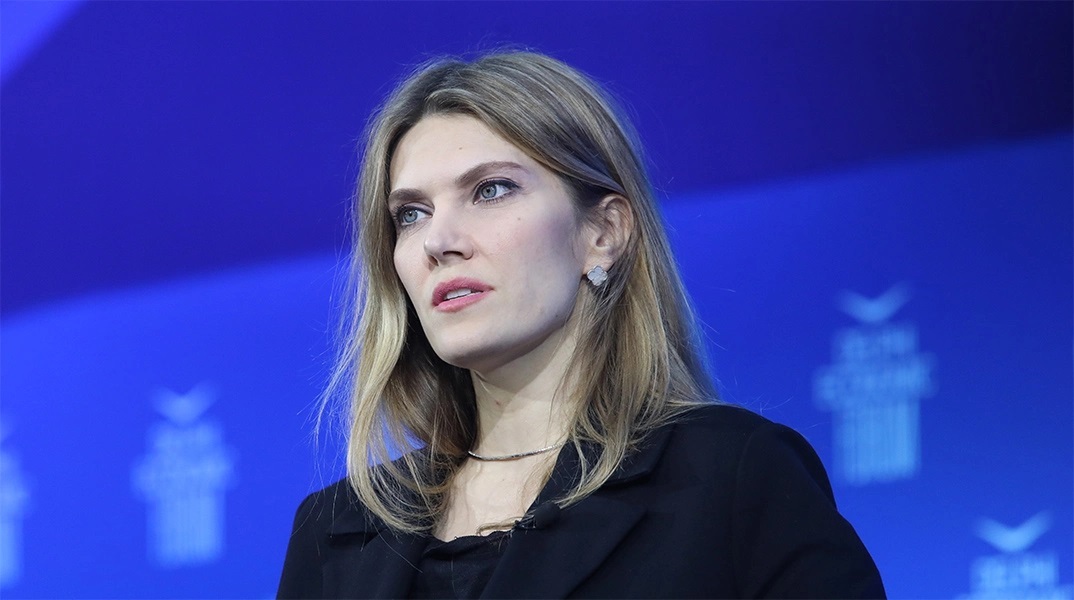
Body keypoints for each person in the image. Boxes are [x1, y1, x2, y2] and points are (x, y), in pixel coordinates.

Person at [277, 50, 885, 599]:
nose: (438, 241)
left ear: (603, 232)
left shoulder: (731, 478)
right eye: (411, 214)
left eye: (490, 190)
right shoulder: (334, 532)